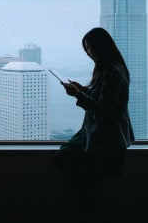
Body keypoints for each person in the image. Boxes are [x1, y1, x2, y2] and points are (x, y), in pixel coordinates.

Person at [54, 27, 135, 222]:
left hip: (105, 139)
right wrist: (82, 89)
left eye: (90, 48)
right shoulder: (110, 69)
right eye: (86, 49)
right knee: (90, 188)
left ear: (101, 47)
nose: (88, 53)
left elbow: (104, 109)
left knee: (89, 189)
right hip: (98, 135)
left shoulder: (112, 72)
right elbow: (102, 99)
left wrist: (77, 94)